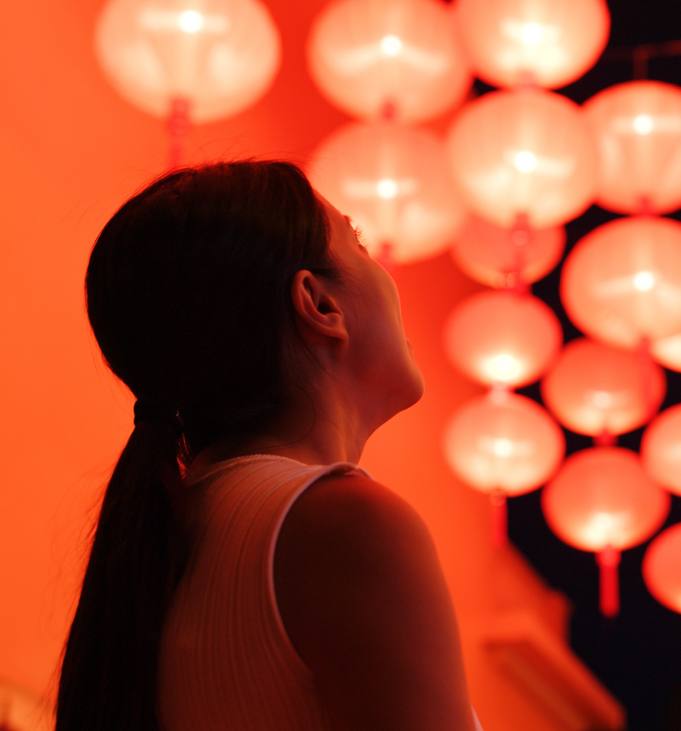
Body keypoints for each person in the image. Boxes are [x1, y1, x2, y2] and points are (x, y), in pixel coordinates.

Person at [56, 161, 479, 731]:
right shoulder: (344, 523)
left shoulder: (167, 535)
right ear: (320, 304)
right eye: (357, 240)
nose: (385, 271)